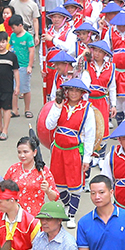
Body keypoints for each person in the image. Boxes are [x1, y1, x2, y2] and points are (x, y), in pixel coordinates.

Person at [44, 77, 96, 227]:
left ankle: (72, 215)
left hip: (74, 151)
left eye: (77, 91)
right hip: (58, 150)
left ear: (82, 93)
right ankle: (67, 205)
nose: (73, 93)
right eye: (71, 90)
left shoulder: (87, 109)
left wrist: (87, 158)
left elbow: (90, 135)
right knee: (58, 183)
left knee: (75, 185)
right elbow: (49, 125)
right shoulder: (60, 105)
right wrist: (57, 108)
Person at [5, 136, 59, 216]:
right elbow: (3, 189)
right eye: (19, 152)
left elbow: (54, 198)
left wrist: (48, 190)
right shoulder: (13, 169)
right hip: (15, 214)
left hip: (34, 217)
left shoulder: (42, 171)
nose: (22, 155)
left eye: (25, 152)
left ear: (35, 152)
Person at [8, 15, 36, 119]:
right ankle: (15, 109)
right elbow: (11, 46)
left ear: (20, 25)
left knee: (25, 88)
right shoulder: (13, 36)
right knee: (14, 88)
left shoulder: (28, 36)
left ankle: (27, 109)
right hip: (14, 65)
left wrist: (29, 65)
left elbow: (32, 51)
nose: (12, 30)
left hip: (24, 65)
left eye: (14, 27)